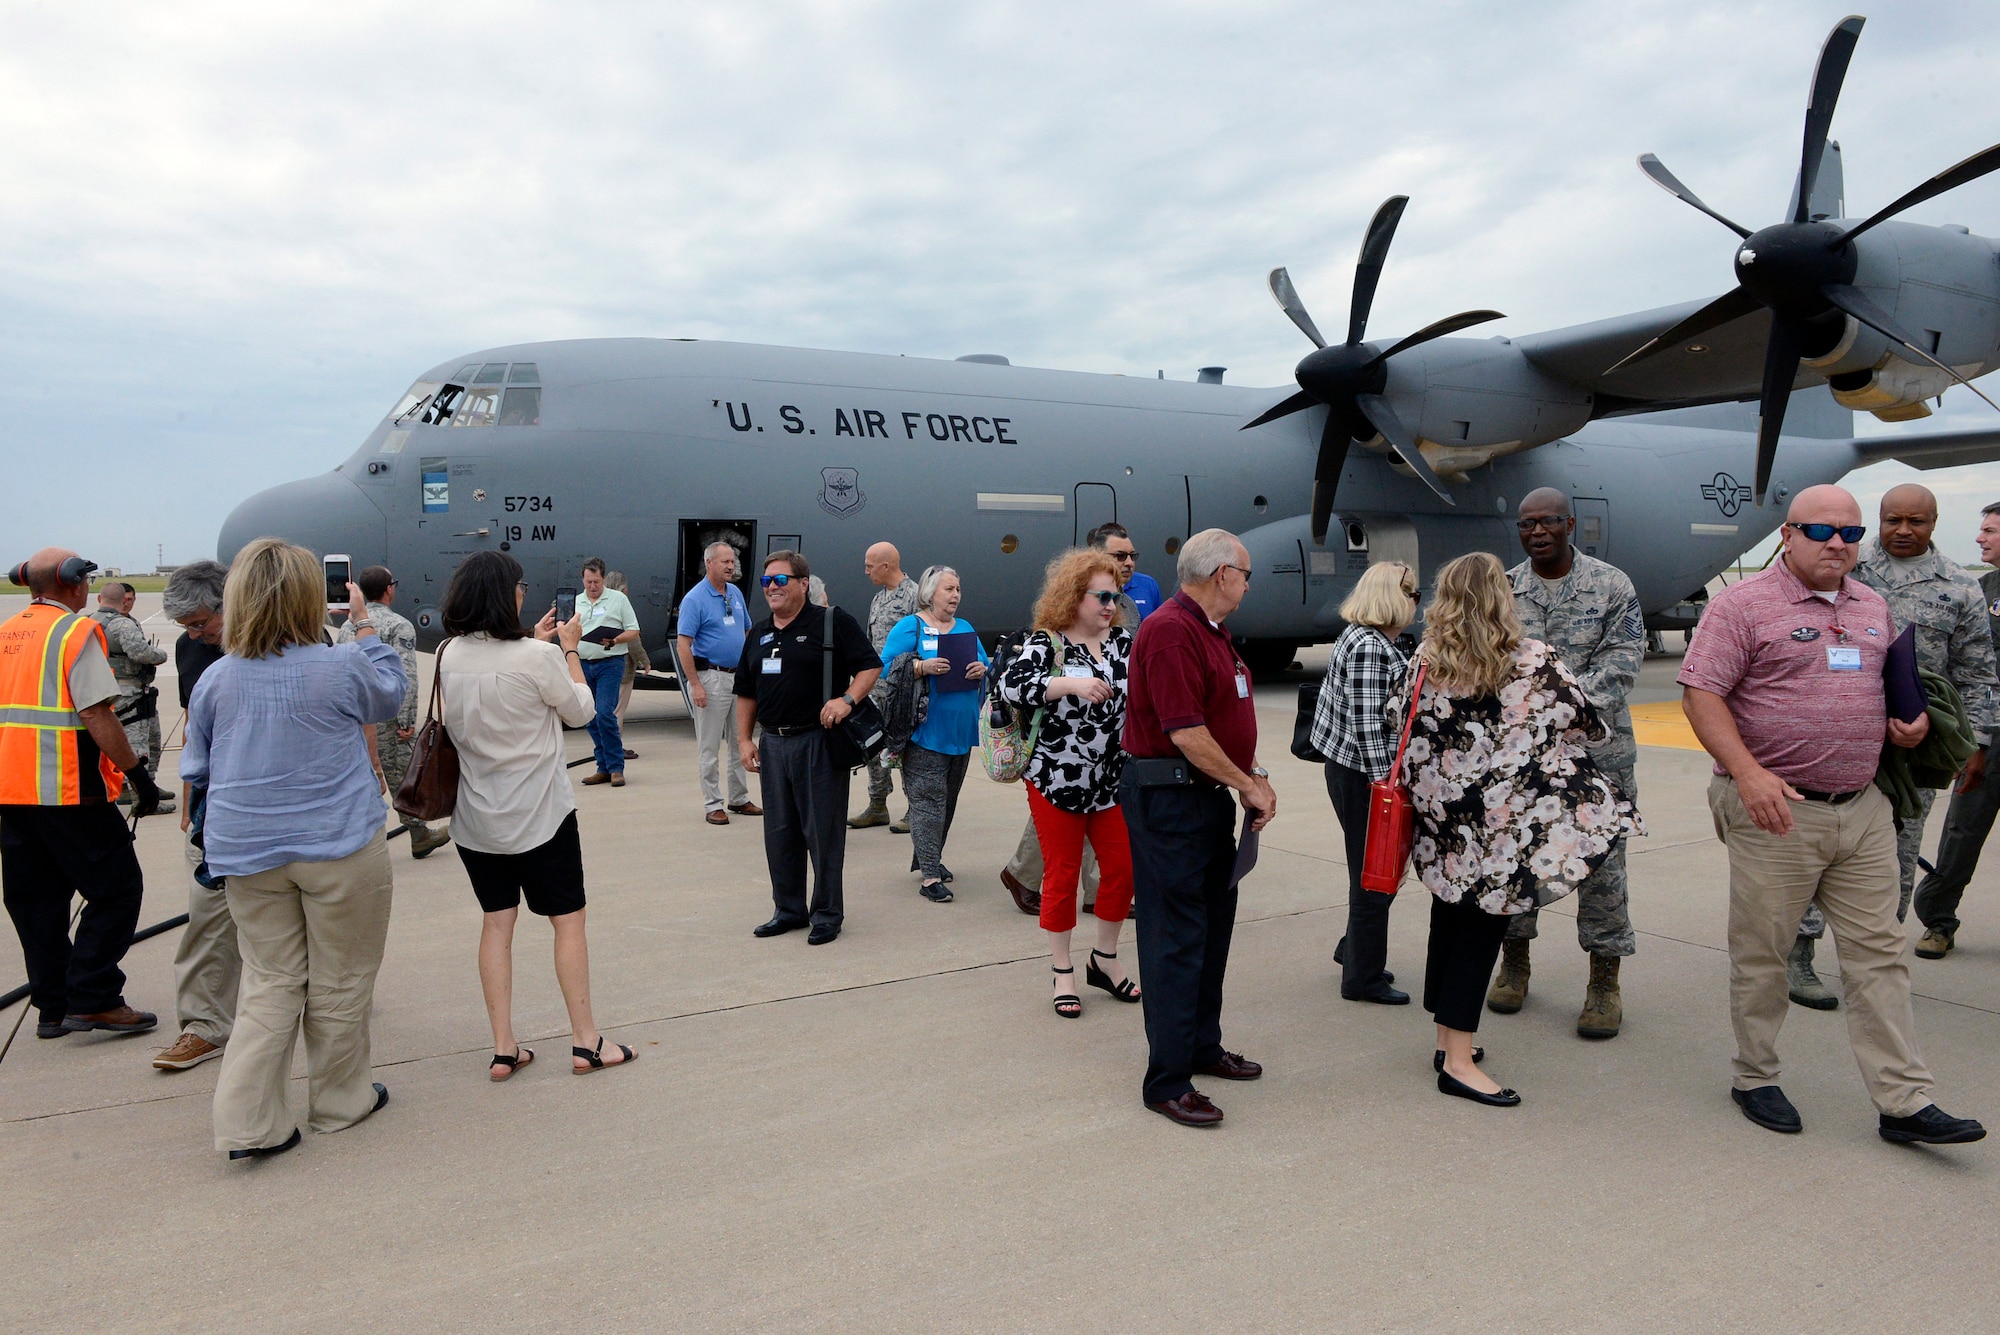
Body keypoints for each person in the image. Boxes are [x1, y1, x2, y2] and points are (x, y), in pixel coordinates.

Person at [1680, 484, 1985, 1144]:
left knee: (1880, 954)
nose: (1838, 544)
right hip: (1777, 809)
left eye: (1849, 533)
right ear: (1788, 535)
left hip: (1864, 806)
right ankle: (1754, 1075)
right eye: (1821, 531)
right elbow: (1702, 695)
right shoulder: (1743, 605)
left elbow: (1878, 688)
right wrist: (1750, 772)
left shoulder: (1871, 604)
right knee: (1763, 954)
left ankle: (1903, 1100)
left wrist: (1908, 725)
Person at [181, 538, 407, 1160]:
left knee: (270, 980)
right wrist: (362, 624)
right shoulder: (339, 664)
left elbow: (198, 766)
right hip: (337, 845)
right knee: (340, 979)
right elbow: (391, 694)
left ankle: (250, 1123)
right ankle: (339, 1101)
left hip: (247, 852)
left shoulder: (216, 679)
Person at [1391, 552, 1642, 1109]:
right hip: (1498, 834)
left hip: (1441, 825)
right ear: (1503, 601)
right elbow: (1584, 721)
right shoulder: (1533, 660)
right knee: (1479, 936)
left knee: (1448, 919)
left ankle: (1446, 1040)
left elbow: (1400, 726)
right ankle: (1457, 1062)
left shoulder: (1424, 660)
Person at [438, 551, 637, 1080]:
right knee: (567, 922)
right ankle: (586, 1041)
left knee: (497, 924)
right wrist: (568, 650)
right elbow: (582, 711)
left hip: (476, 819)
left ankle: (504, 1047)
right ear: (508, 594)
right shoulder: (536, 657)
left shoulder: (446, 654)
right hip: (540, 814)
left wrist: (540, 645)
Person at [1788, 485, 1996, 989]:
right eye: (1893, 520)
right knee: (1813, 848)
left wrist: (1977, 745)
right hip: (1833, 735)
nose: (1904, 530)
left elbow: (1977, 674)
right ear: (1878, 520)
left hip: (1912, 747)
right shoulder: (1844, 565)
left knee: (1899, 855)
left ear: (1934, 523)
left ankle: (1877, 962)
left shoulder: (1960, 587)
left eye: (1917, 522)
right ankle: (1799, 951)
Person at [1120, 529, 1273, 1127]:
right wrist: (1248, 784)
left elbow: (1222, 722)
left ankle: (1200, 1046)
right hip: (1172, 805)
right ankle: (1167, 1079)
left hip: (1206, 798)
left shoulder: (1209, 631)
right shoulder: (1168, 631)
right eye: (1246, 573)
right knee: (1175, 937)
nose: (1248, 583)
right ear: (1221, 575)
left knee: (1211, 930)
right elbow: (1184, 732)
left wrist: (1251, 774)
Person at [1490, 488, 1646, 1038]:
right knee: (1515, 858)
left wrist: (1556, 707)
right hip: (1523, 755)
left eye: (1548, 521)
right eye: (1527, 523)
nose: (1537, 532)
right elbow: (1488, 660)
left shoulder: (1611, 584)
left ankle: (1604, 982)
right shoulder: (1504, 589)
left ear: (1570, 523)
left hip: (1598, 752)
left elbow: (1624, 661)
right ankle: (1515, 963)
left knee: (1603, 868)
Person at [1, 547, 162, 1043]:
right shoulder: (74, 632)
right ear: (72, 583)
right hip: (69, 792)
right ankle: (94, 997)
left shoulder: (6, 633)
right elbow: (96, 714)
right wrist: (138, 776)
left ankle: (54, 1006)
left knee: (37, 904)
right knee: (117, 891)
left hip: (11, 795)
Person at [997, 549, 1139, 1016]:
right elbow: (1011, 686)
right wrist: (1069, 684)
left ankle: (1106, 960)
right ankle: (1063, 971)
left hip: (1111, 780)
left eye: (1114, 597)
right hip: (1056, 779)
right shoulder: (1048, 643)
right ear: (1074, 597)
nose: (1109, 605)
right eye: (1100, 596)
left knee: (1122, 869)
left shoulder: (1124, 643)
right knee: (1062, 873)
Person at [736, 551, 882, 945]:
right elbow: (746, 691)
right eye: (766, 581)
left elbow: (870, 665)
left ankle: (827, 914)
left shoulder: (831, 622)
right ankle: (788, 910)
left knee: (823, 833)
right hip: (774, 746)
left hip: (818, 742)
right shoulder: (759, 633)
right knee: (780, 833)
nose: (771, 587)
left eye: (780, 580)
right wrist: (745, 739)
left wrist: (846, 700)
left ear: (803, 583)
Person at [1309, 560, 1418, 1005]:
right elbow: (1370, 724)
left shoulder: (1366, 637)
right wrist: (1385, 789)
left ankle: (1354, 950)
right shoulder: (1371, 646)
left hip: (1352, 770)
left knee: (1373, 871)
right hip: (1364, 775)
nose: (1416, 600)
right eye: (1411, 592)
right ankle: (1362, 978)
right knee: (1375, 875)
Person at [153, 560, 241, 1072]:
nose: (196, 634)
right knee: (207, 920)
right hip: (217, 810)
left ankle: (323, 1003)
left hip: (283, 810)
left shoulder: (295, 639)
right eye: (187, 627)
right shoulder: (193, 650)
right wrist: (189, 801)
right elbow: (194, 728)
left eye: (203, 622)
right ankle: (203, 1025)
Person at [1912, 499, 2000, 959]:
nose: (1980, 538)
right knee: (1963, 832)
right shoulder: (1978, 590)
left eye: (1990, 531)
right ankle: (1939, 921)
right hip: (1990, 736)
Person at [881, 566, 988, 902]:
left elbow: (984, 663)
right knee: (928, 802)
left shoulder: (966, 628)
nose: (955, 595)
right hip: (924, 731)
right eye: (948, 589)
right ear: (930, 593)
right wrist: (920, 667)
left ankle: (930, 858)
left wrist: (982, 669)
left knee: (947, 801)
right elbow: (883, 666)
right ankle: (929, 877)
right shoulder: (910, 626)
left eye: (958, 589)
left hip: (960, 730)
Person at [337, 565, 449, 858]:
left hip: (354, 716)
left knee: (361, 775)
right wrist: (406, 719)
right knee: (403, 775)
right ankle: (419, 833)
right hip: (386, 714)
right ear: (389, 589)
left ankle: (359, 837)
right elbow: (406, 676)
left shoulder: (348, 627)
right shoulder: (399, 625)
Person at [677, 543, 759, 825]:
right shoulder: (695, 599)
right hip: (712, 679)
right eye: (725, 561)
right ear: (708, 563)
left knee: (741, 742)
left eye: (732, 561)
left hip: (739, 678)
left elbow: (746, 630)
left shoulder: (734, 593)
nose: (731, 566)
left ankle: (739, 797)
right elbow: (683, 645)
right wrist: (695, 684)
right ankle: (713, 803)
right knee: (709, 746)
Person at [851, 541, 919, 831]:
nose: (866, 571)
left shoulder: (915, 596)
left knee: (905, 748)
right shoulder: (878, 599)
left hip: (904, 688)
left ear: (887, 565)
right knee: (873, 745)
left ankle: (915, 809)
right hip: (877, 687)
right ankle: (877, 804)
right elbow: (871, 642)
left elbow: (924, 639)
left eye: (870, 565)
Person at [92, 581, 174, 815]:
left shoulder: (87, 622)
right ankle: (144, 798)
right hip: (129, 695)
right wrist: (160, 654)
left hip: (102, 693)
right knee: (141, 747)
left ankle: (136, 788)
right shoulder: (122, 625)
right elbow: (141, 653)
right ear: (121, 601)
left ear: (100, 599)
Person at [574, 557, 640, 787]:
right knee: (589, 716)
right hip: (583, 663)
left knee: (604, 712)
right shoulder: (576, 602)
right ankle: (602, 766)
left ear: (603, 579)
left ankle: (615, 767)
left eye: (597, 582)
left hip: (609, 663)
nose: (592, 587)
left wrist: (614, 639)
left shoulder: (618, 599)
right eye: (589, 582)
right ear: (583, 579)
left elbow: (633, 630)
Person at [605, 570, 648, 755]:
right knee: (617, 712)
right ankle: (615, 749)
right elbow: (632, 639)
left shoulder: (601, 604)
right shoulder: (622, 605)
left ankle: (607, 747)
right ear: (623, 588)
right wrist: (644, 661)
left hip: (603, 666)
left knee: (607, 711)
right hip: (621, 669)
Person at [1088, 521, 1164, 624]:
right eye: (1120, 556)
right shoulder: (1083, 588)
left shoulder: (1148, 585)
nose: (1129, 563)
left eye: (1132, 556)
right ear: (1098, 556)